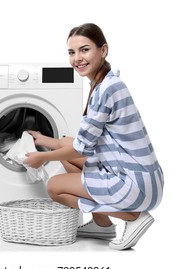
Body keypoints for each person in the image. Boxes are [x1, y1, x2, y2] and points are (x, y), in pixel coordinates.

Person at [24, 23, 164, 250]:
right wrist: (45, 140)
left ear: (103, 50)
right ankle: (102, 225)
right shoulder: (107, 83)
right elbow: (79, 143)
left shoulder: (106, 90)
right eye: (71, 52)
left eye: (84, 49)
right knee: (65, 147)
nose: (77, 58)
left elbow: (80, 149)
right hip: (142, 177)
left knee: (54, 187)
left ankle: (133, 216)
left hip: (134, 185)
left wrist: (42, 158)